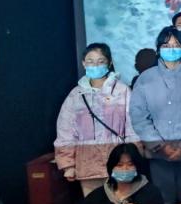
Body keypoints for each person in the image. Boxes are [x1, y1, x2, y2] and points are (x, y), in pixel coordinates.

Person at [130, 26, 181, 204]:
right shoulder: (145, 79)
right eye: (166, 45)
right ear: (158, 49)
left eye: (176, 45)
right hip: (158, 155)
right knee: (162, 203)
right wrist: (160, 146)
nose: (171, 49)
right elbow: (139, 116)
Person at [54, 42, 138, 196]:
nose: (95, 65)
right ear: (83, 63)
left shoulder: (122, 91)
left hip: (119, 164)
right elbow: (65, 131)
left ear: (109, 63)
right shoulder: (76, 95)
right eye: (90, 61)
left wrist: (135, 158)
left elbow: (133, 127)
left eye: (100, 61)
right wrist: (68, 165)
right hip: (88, 166)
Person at [75, 142, 165, 204]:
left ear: (137, 167)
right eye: (119, 165)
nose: (125, 169)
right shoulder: (97, 196)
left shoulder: (151, 193)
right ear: (111, 168)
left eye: (130, 164)